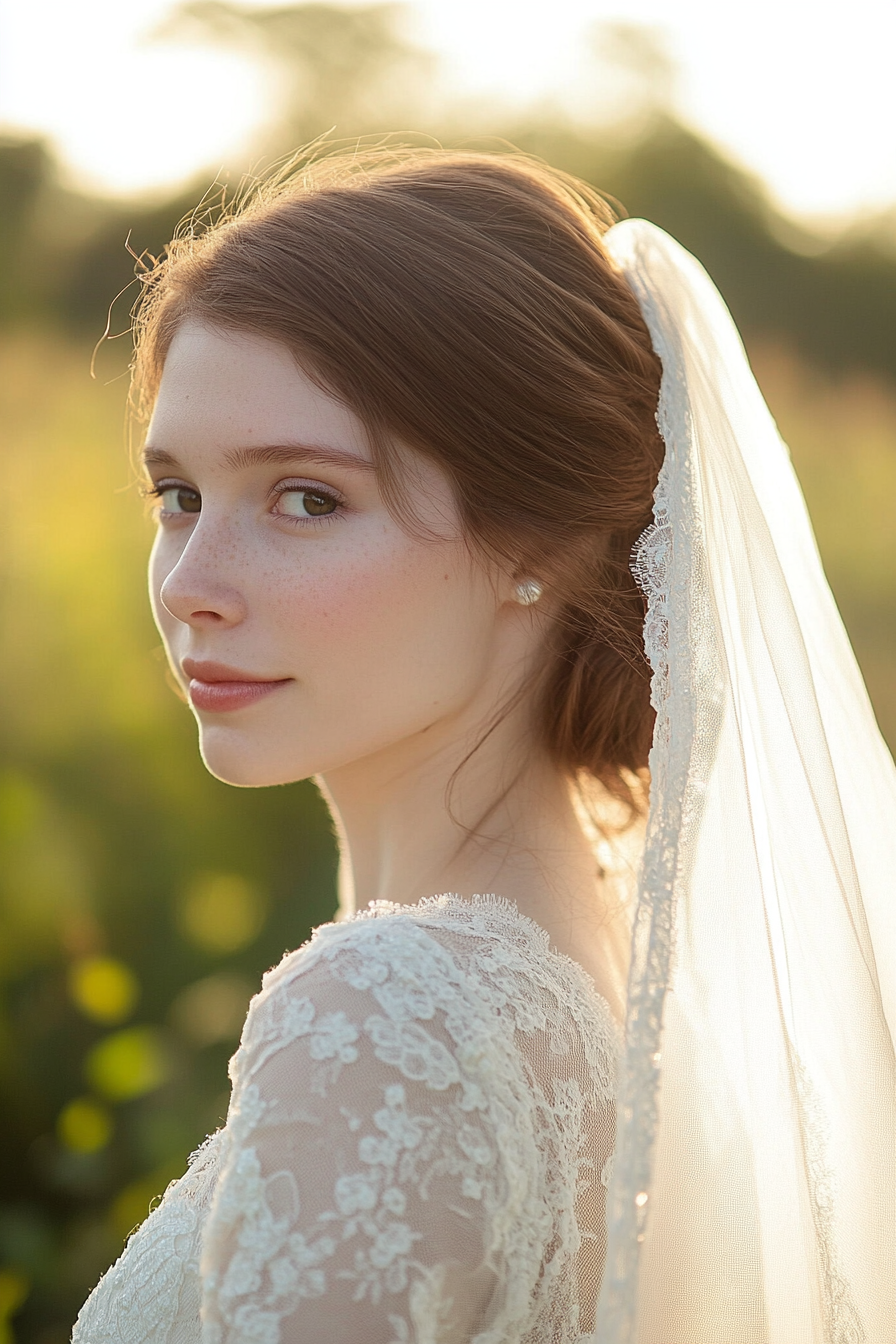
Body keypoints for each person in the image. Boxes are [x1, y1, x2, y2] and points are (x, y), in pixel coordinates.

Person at [72, 150, 896, 1344]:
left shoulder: (383, 1018)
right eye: (177, 495)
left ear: (539, 545)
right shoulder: (638, 972)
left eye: (305, 497)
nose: (193, 585)